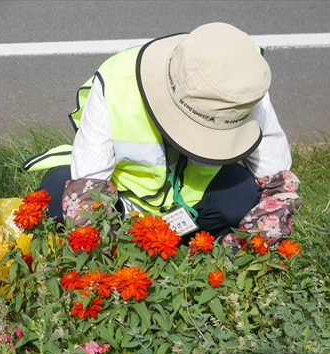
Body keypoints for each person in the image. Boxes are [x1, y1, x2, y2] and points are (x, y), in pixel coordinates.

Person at [29, 22, 300, 248]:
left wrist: (264, 242)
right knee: (55, 192)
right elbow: (91, 179)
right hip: (126, 198)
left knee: (244, 195)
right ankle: (201, 239)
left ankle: (198, 239)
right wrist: (115, 259)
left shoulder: (242, 82)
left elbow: (275, 173)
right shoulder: (116, 82)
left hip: (195, 201)